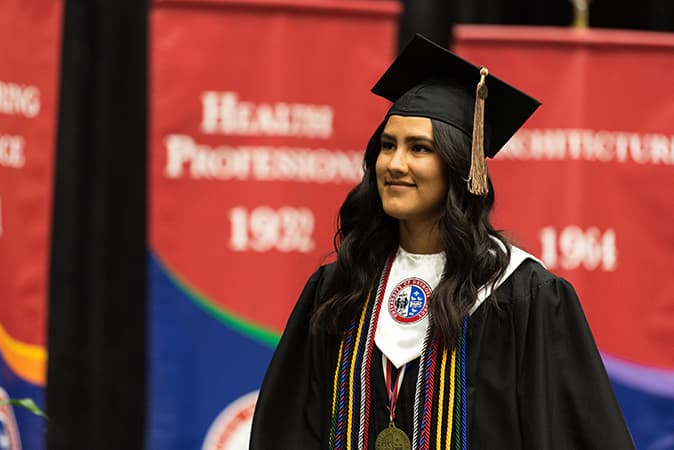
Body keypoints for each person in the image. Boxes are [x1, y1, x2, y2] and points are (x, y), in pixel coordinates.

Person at [249, 34, 636, 450]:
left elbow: (576, 434)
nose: (395, 164)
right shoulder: (343, 286)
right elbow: (287, 429)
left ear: (458, 167)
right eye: (387, 146)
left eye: (420, 148)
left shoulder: (522, 296)